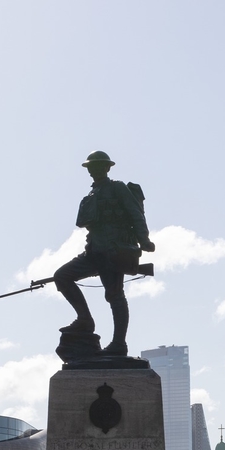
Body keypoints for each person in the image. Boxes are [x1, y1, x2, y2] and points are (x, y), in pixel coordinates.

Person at [53, 151, 155, 356]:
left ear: (107, 168)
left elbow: (136, 213)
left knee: (114, 295)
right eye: (91, 167)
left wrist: (143, 239)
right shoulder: (92, 194)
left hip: (114, 250)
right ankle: (85, 319)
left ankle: (119, 344)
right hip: (94, 250)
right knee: (62, 276)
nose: (94, 170)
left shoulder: (117, 188)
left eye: (98, 166)